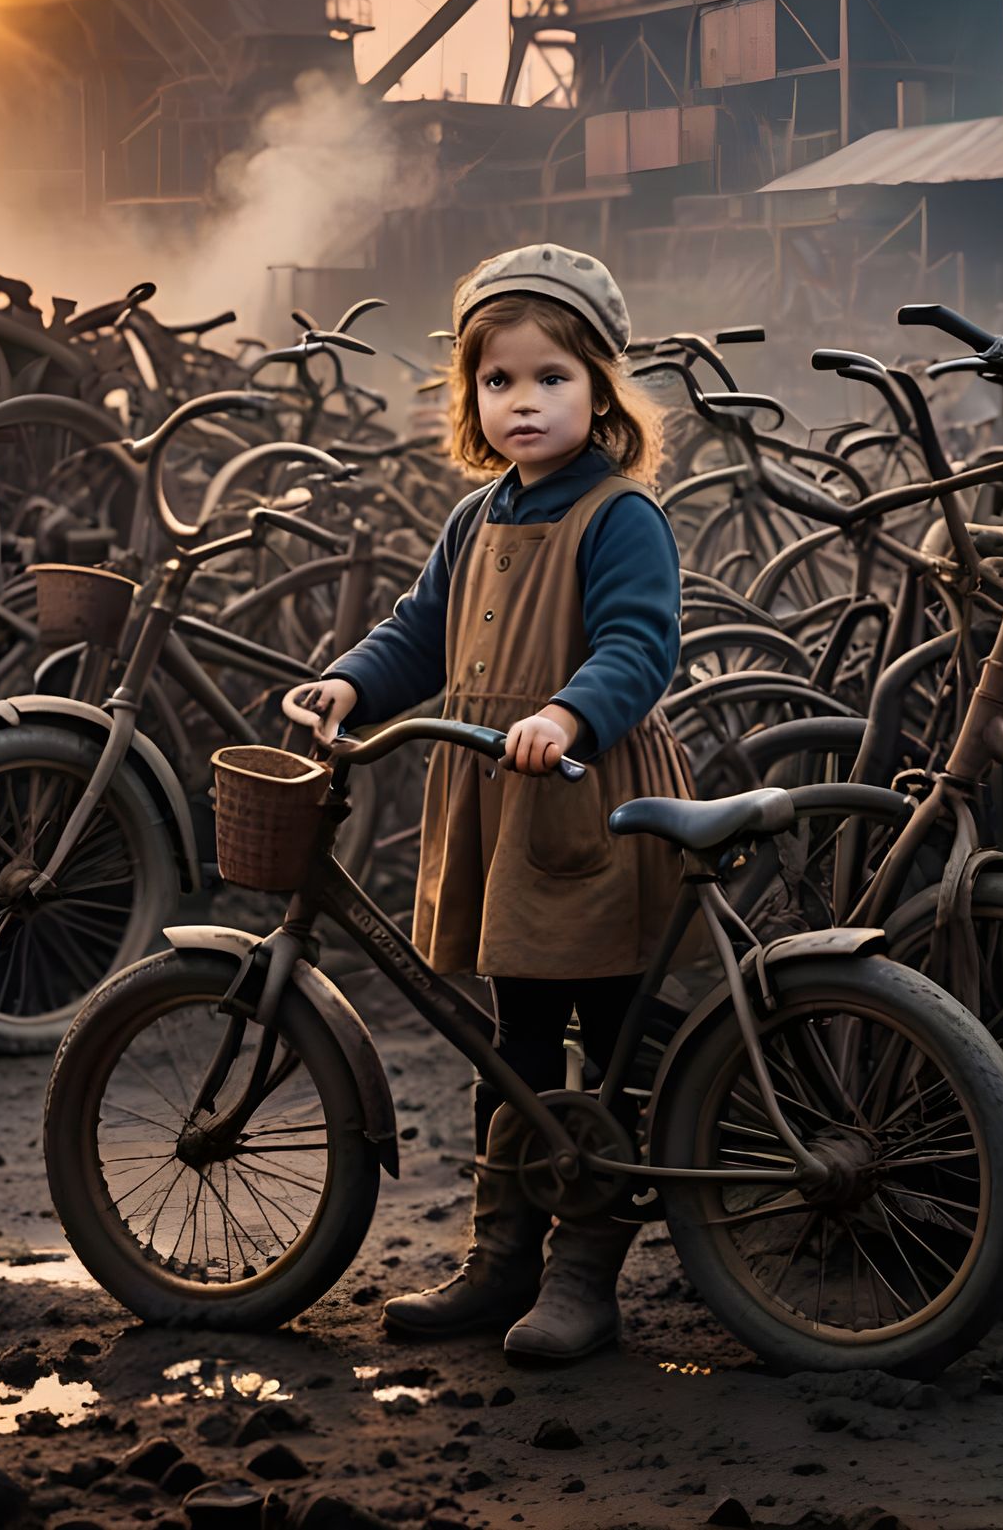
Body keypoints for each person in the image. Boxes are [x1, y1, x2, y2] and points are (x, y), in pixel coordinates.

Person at [286, 242, 690, 1364]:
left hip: (590, 798)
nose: (523, 402)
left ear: (601, 388)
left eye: (551, 378)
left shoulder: (619, 515)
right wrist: (352, 679)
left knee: (602, 1046)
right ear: (468, 394)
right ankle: (501, 1254)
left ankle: (583, 1273)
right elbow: (421, 627)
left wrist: (566, 713)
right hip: (504, 808)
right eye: (498, 380)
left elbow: (638, 643)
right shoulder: (476, 517)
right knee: (510, 1046)